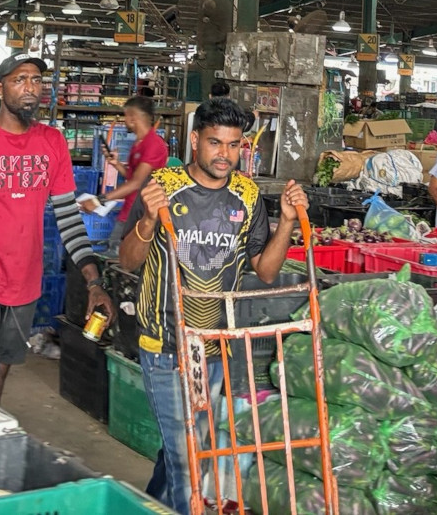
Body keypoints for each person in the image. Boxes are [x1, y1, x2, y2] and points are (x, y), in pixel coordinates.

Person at [116, 97, 308, 514]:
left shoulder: (248, 194)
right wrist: (148, 220)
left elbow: (268, 270)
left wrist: (288, 222)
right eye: (215, 143)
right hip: (165, 346)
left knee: (182, 451)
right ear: (195, 140)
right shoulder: (161, 186)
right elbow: (127, 261)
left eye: (234, 145)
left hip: (215, 350)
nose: (225, 155)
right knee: (190, 461)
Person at [0, 52, 113, 404]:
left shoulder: (52, 142)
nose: (30, 88)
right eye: (19, 80)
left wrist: (94, 281)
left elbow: (68, 218)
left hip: (24, 283)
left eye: (36, 80)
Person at [80, 96, 168, 249]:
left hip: (140, 214)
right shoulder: (138, 143)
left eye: (126, 116)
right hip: (129, 212)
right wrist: (116, 164)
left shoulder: (153, 144)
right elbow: (133, 177)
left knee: (122, 259)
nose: (124, 120)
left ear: (133, 118)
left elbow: (136, 183)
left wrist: (98, 201)